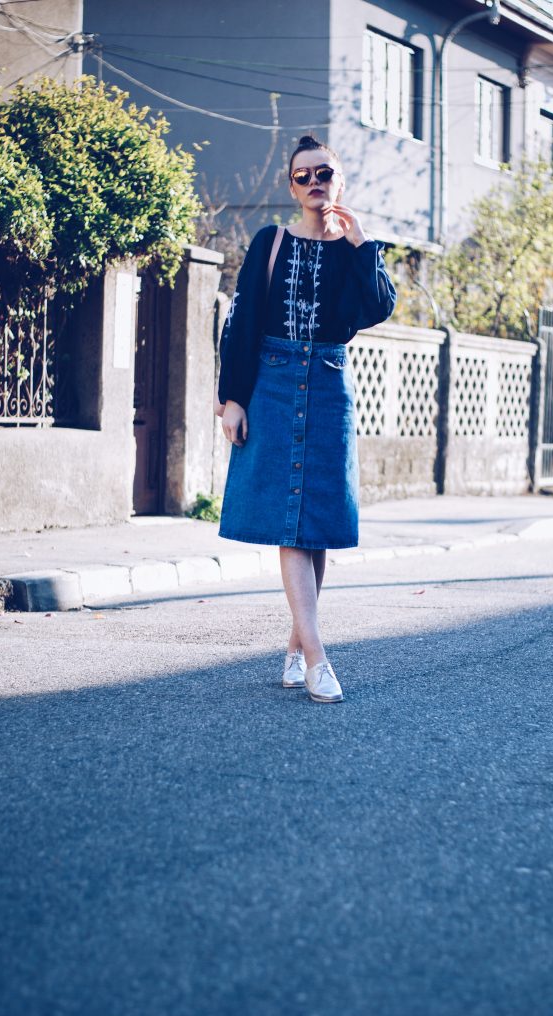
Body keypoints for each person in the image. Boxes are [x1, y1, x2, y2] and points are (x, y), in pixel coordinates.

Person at [215, 135, 396, 703]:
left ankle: (296, 647)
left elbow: (378, 308)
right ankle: (317, 655)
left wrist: (360, 240)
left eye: (324, 173)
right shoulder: (270, 241)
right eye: (303, 176)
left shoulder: (352, 251)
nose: (314, 182)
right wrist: (232, 397)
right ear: (291, 187)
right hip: (269, 379)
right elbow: (241, 319)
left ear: (338, 180)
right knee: (288, 514)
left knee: (314, 517)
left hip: (329, 379)